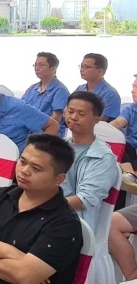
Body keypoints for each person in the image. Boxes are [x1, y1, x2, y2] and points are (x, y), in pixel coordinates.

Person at [0, 134, 83, 284]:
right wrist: (12, 252)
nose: (24, 171)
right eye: (22, 162)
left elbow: (24, 277)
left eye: (36, 168)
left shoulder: (65, 223)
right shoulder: (2, 195)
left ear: (59, 179)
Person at [60, 91, 118, 232]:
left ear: (97, 119)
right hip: (46, 215)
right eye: (70, 111)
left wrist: (41, 205)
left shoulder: (103, 157)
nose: (73, 117)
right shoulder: (59, 147)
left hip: (73, 224)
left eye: (81, 114)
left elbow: (83, 200)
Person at [22, 52, 70, 136]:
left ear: (53, 68)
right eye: (35, 65)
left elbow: (55, 119)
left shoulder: (60, 91)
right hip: (27, 134)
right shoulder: (32, 89)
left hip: (47, 137)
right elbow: (21, 110)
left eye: (41, 65)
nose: (37, 68)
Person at [75, 52, 121, 121]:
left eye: (86, 67)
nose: (82, 70)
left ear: (100, 71)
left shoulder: (110, 94)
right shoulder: (80, 89)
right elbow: (66, 111)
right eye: (81, 66)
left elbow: (99, 121)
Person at [110, 75, 137, 169]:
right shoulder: (130, 108)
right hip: (130, 149)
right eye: (133, 86)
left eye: (136, 87)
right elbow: (118, 123)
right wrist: (101, 129)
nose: (132, 91)